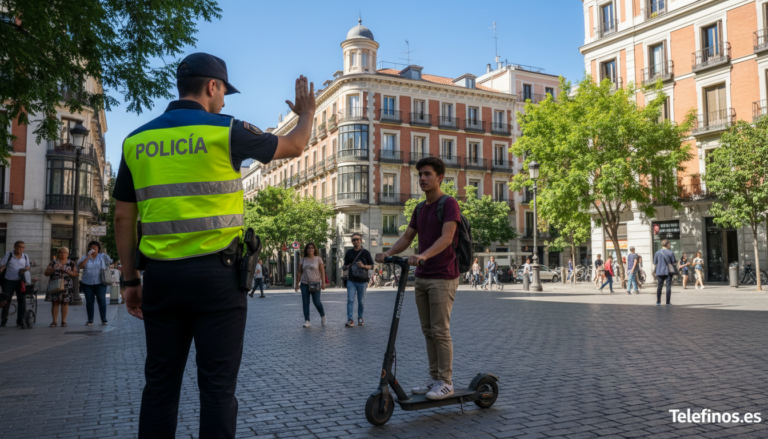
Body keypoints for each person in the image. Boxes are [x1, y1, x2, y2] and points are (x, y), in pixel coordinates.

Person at [113, 52, 315, 438]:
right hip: (215, 280)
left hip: (160, 278)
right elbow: (294, 146)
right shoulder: (226, 130)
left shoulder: (136, 140)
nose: (224, 101)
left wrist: (129, 281)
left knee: (159, 387)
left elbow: (124, 217)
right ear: (211, 86)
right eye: (224, 91)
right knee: (218, 390)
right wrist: (306, 113)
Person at [375, 156, 461, 400]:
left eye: (427, 174)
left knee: (440, 331)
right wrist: (389, 253)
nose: (422, 178)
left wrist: (423, 254)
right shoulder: (420, 208)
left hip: (443, 277)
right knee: (428, 331)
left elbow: (446, 238)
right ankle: (435, 379)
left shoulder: (449, 203)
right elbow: (407, 237)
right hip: (422, 277)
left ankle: (446, 382)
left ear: (440, 178)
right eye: (420, 175)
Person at [77, 241, 113, 326]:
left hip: (100, 282)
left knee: (101, 300)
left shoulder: (103, 256)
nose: (94, 247)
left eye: (96, 246)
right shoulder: (85, 257)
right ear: (89, 248)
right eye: (92, 246)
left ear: (98, 248)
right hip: (87, 282)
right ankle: (90, 320)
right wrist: (88, 257)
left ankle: (103, 319)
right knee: (89, 301)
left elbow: (111, 263)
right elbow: (80, 266)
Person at [343, 233, 373, 327]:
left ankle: (360, 318)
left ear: (361, 240)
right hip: (351, 280)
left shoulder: (366, 253)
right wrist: (346, 266)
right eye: (354, 240)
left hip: (363, 280)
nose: (356, 241)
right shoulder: (349, 253)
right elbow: (344, 267)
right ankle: (350, 319)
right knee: (350, 300)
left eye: (358, 239)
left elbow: (372, 266)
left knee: (361, 301)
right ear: (352, 241)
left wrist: (363, 266)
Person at [44, 247, 78, 327]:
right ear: (58, 254)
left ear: (67, 254)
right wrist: (53, 269)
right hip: (55, 285)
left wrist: (66, 270)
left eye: (64, 252)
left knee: (65, 303)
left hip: (66, 286)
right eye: (61, 252)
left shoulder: (71, 263)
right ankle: (54, 322)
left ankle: (63, 321)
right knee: (55, 303)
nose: (62, 254)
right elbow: (46, 273)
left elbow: (76, 274)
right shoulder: (53, 262)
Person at [0, 241, 31, 328]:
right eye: (18, 247)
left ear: (24, 248)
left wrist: (25, 269)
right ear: (14, 247)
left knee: (22, 301)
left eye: (22, 247)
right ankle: (3, 320)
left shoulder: (25, 256)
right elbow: (3, 265)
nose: (20, 248)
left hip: (20, 282)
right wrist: (1, 269)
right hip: (8, 281)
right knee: (6, 301)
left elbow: (28, 266)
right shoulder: (8, 255)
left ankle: (20, 321)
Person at [295, 243, 327, 328]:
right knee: (305, 303)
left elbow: (322, 271)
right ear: (306, 250)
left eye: (312, 248)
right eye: (308, 248)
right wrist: (296, 284)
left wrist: (323, 283)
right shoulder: (303, 259)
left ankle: (323, 315)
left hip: (315, 283)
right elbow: (299, 271)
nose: (310, 249)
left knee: (317, 302)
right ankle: (307, 321)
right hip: (304, 283)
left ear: (314, 249)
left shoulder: (318, 259)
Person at [653, 239, 677, 305]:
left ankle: (658, 302)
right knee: (668, 286)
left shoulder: (657, 253)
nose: (670, 245)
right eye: (669, 244)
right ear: (667, 244)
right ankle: (668, 302)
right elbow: (674, 262)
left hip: (659, 271)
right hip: (668, 272)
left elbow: (655, 263)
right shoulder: (670, 252)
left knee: (659, 286)